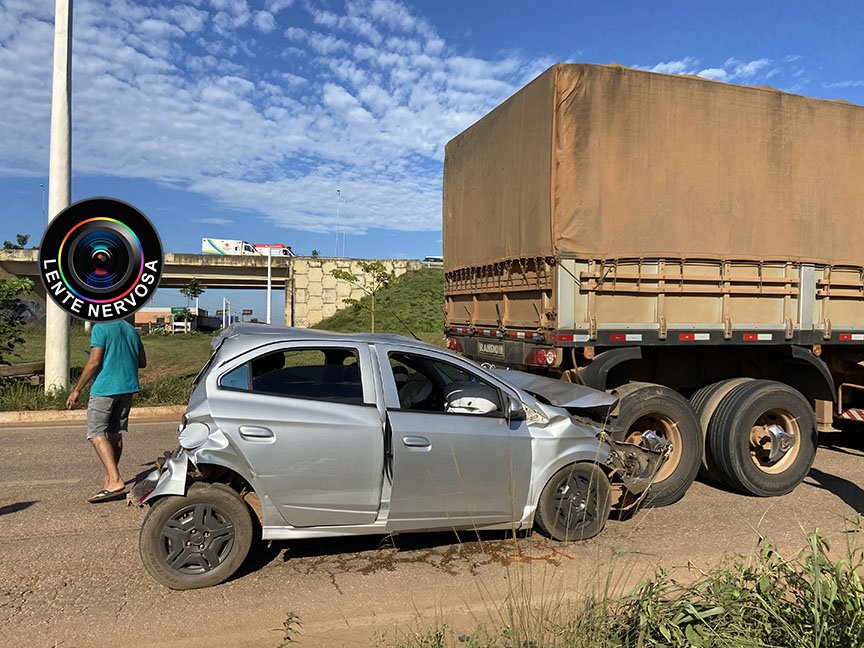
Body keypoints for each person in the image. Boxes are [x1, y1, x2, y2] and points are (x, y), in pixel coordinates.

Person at [66, 319, 146, 503]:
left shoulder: (100, 328)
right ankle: (110, 479)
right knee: (115, 433)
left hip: (105, 388)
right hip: (127, 387)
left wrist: (77, 389)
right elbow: (142, 362)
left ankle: (115, 481)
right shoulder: (130, 330)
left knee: (95, 433)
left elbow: (94, 361)